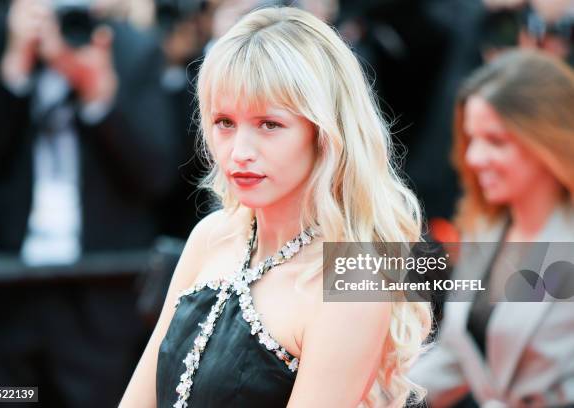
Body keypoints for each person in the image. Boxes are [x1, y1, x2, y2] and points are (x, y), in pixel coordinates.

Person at [120, 6, 431, 408]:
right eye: (224, 123)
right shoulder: (212, 235)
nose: (240, 152)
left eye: (270, 124)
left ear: (324, 133)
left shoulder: (355, 279)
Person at [0, 0, 182, 406]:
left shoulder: (132, 50)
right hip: (5, 293)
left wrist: (101, 100)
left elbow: (157, 176)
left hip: (101, 298)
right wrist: (13, 75)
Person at [409, 49, 574, 407]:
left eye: (495, 141)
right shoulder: (488, 229)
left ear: (548, 140)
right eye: (472, 139)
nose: (473, 158)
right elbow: (455, 357)